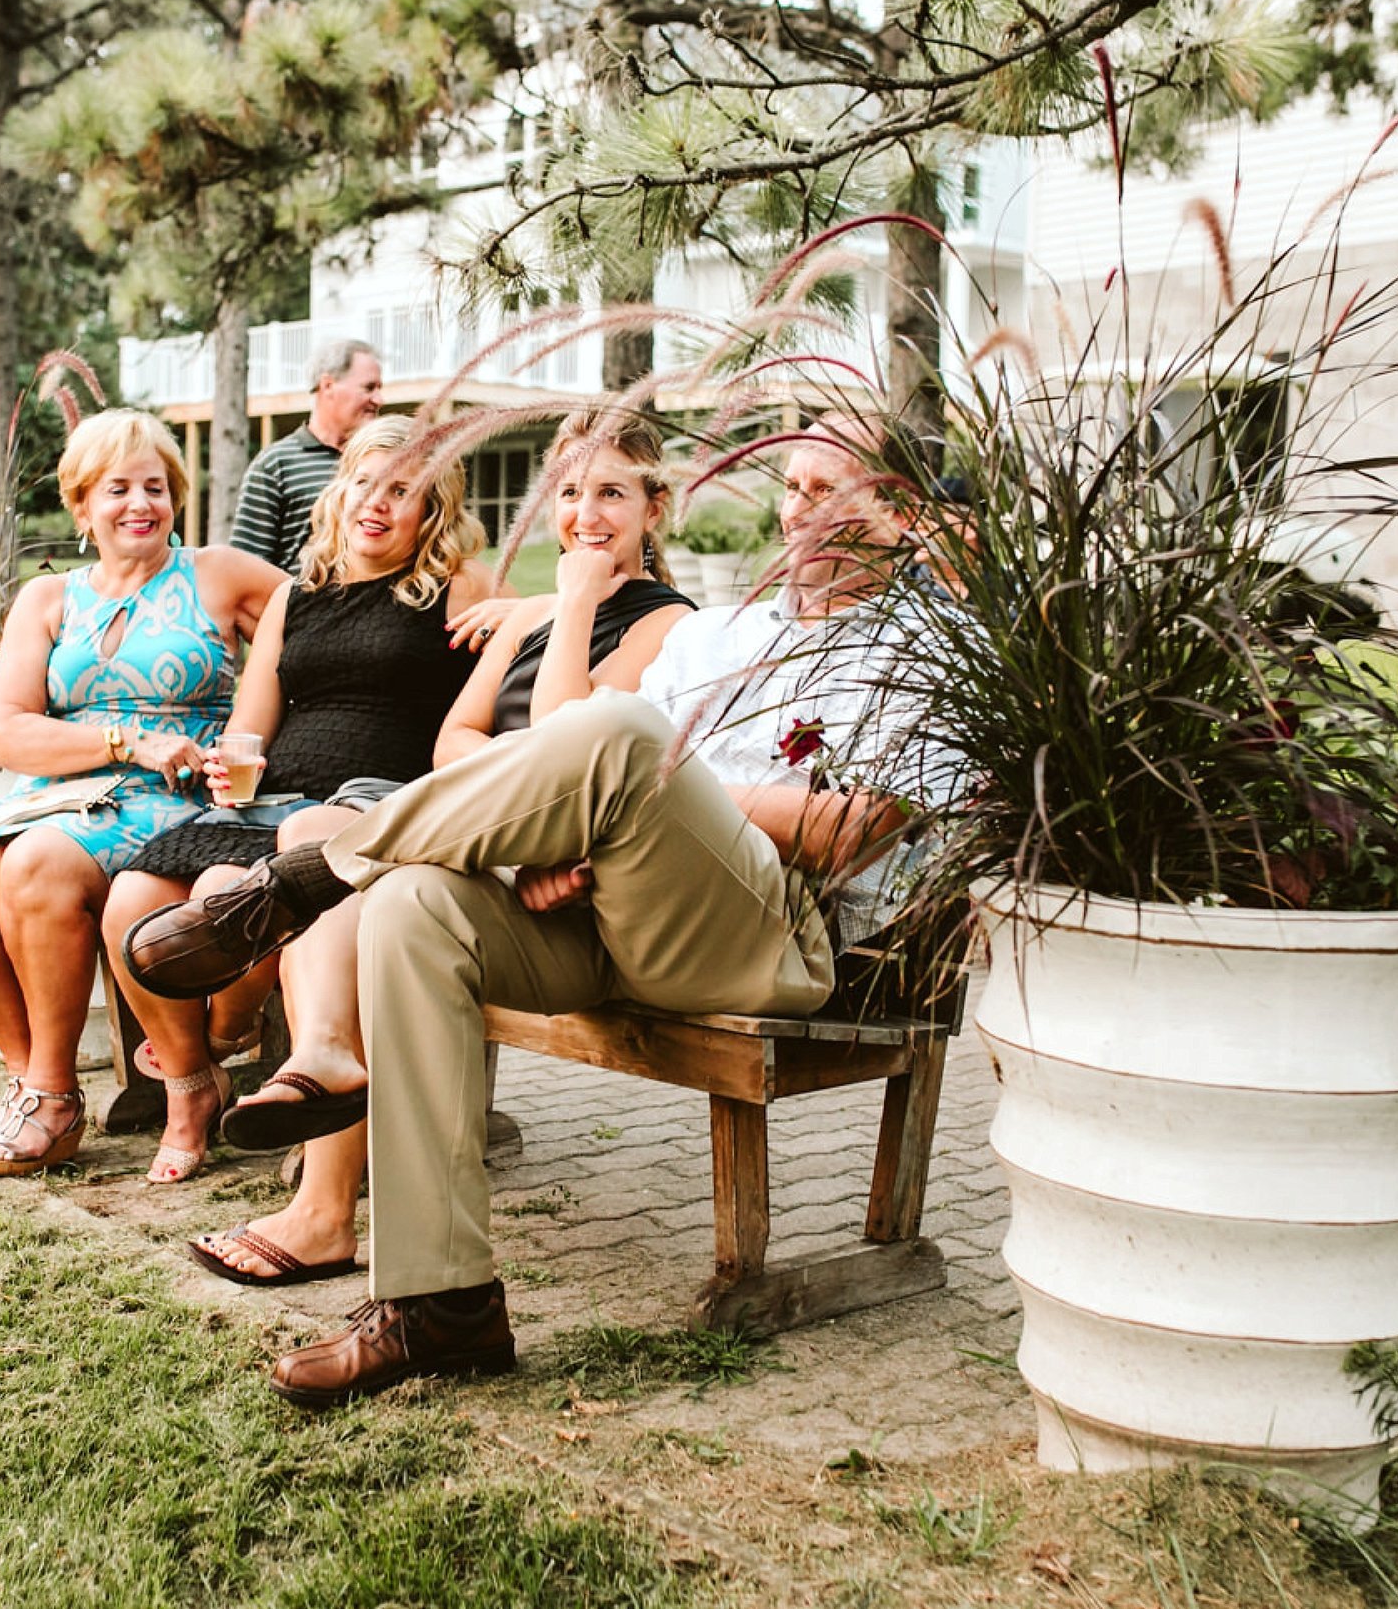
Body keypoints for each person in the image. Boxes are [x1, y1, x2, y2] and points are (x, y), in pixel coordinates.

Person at [123, 415, 961, 1405]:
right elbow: (574, 766)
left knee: (613, 736)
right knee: (417, 904)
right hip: (624, 915)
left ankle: (306, 877)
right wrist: (602, 823)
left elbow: (846, 829)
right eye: (792, 486)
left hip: (776, 937)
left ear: (901, 514)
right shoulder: (727, 631)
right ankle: (441, 1304)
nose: (798, 506)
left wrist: (641, 796)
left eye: (831, 489)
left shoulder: (934, 648)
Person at [181, 408, 698, 1285]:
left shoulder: (665, 624)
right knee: (320, 840)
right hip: (483, 839)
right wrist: (516, 774)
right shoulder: (530, 614)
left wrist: (569, 606)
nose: (586, 514)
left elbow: (571, 747)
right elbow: (451, 742)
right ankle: (324, 1085)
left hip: (556, 881)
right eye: (569, 492)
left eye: (612, 492)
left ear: (655, 507)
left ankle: (321, 1192)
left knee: (335, 856)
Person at [99, 412, 502, 1195]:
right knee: (131, 903)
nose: (376, 504)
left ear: (434, 511)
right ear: (337, 491)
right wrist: (228, 762)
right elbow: (252, 722)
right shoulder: (296, 597)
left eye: (402, 491)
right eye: (362, 483)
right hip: (269, 797)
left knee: (224, 898)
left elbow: (522, 649)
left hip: (372, 801)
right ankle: (193, 1087)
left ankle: (225, 1033)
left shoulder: (460, 586)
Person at [0, 410, 281, 1185]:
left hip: (177, 797)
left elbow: (327, 633)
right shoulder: (47, 599)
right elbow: (8, 733)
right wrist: (121, 740)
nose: (139, 503)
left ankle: (50, 1099)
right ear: (82, 506)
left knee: (39, 867)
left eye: (156, 486)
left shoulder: (220, 575)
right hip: (64, 794)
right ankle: (35, 1080)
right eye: (117, 489)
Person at [227, 338, 384, 571]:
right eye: (369, 388)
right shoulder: (274, 465)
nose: (379, 400)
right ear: (328, 385)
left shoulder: (380, 462)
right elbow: (244, 571)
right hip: (298, 606)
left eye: (380, 389)